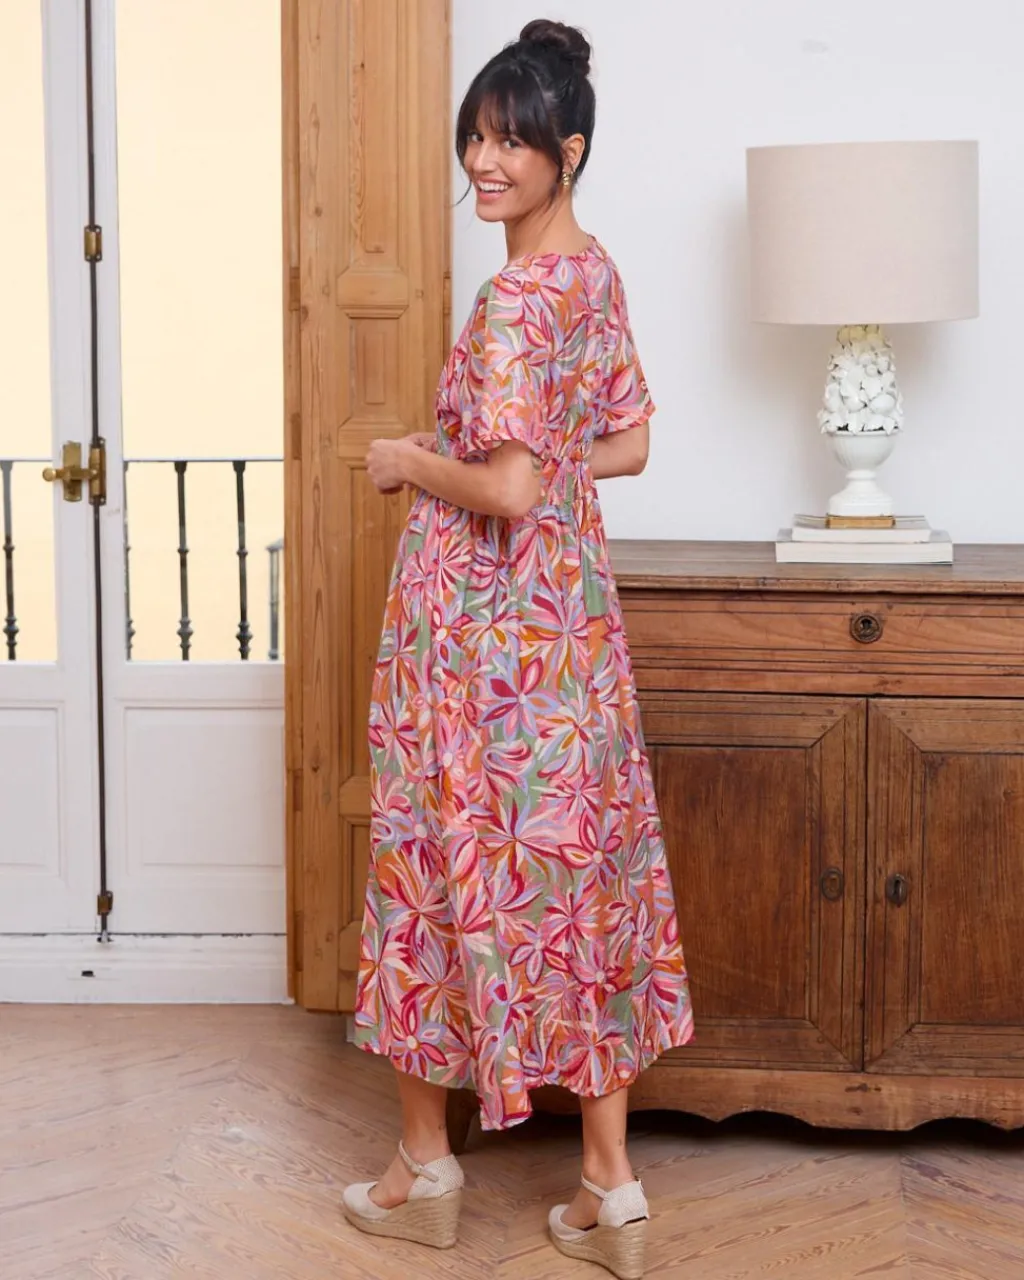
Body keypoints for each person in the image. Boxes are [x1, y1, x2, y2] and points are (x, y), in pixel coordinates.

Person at [342, 19, 694, 1279]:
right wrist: (535, 468)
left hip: (477, 637)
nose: (485, 162)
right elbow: (625, 444)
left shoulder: (512, 301)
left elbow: (502, 487)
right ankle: (611, 1183)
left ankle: (421, 1167)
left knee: (432, 866)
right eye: (477, 138)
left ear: (568, 150)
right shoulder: (592, 274)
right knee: (577, 872)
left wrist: (408, 459)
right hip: (569, 632)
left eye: (512, 141)